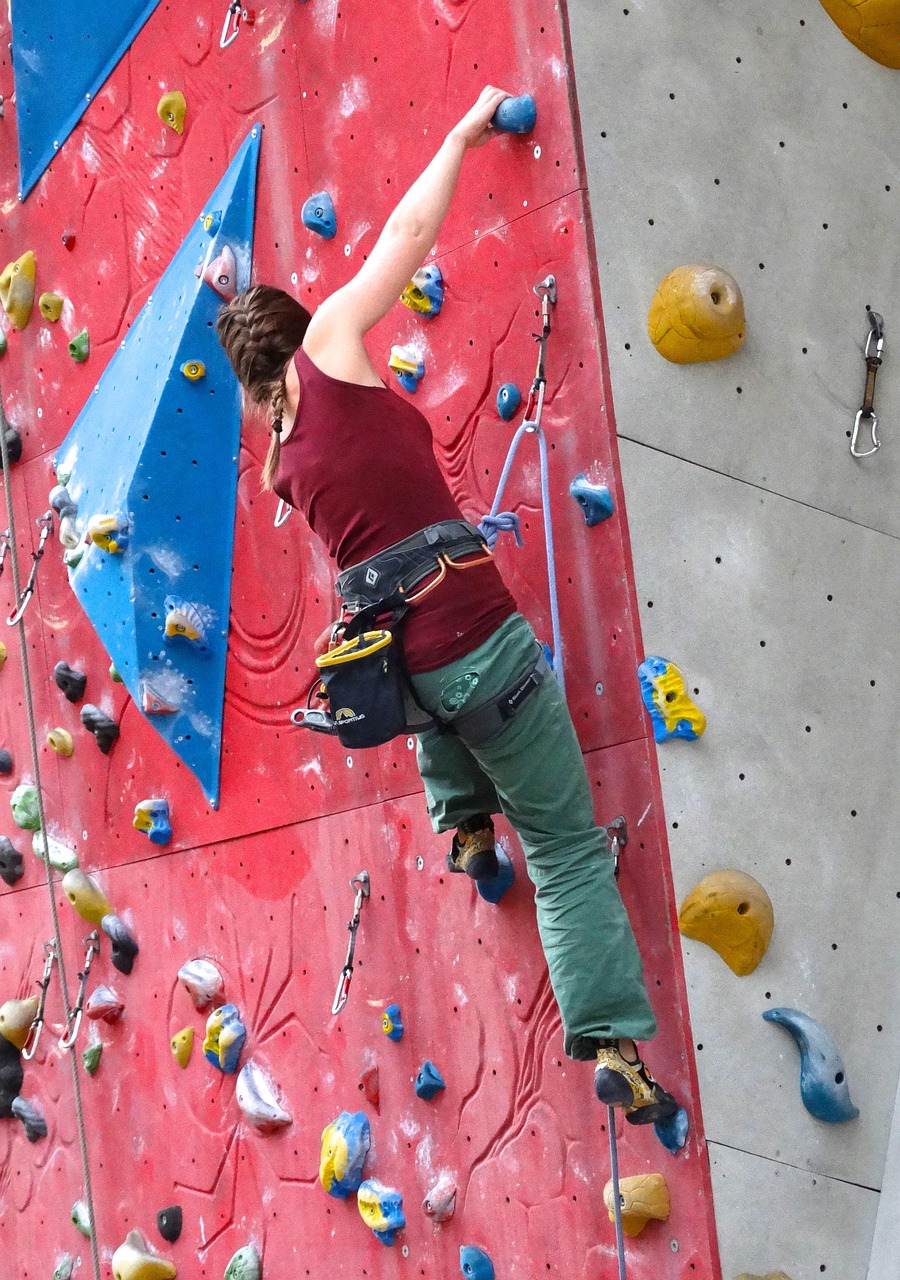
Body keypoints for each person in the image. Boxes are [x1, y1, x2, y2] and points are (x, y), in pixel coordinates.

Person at [216, 86, 678, 1126]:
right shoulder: (330, 344)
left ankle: (465, 827)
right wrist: (460, 132)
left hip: (416, 673)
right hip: (477, 642)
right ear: (297, 331)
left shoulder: (279, 461)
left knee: (439, 693)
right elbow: (408, 234)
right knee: (560, 842)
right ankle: (607, 1035)